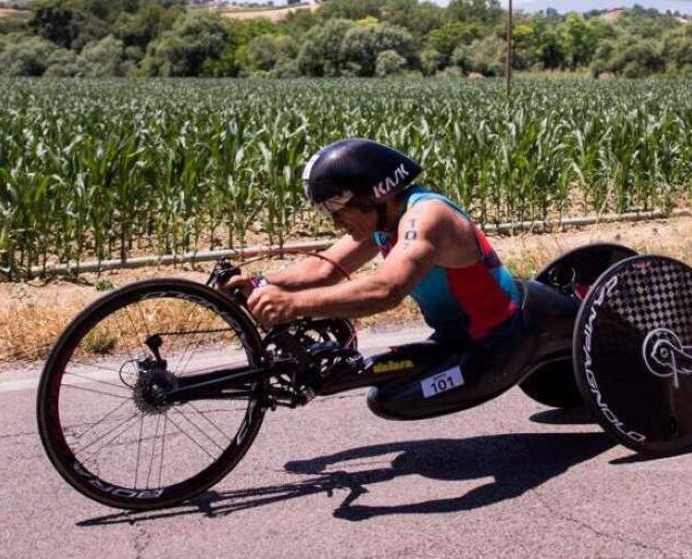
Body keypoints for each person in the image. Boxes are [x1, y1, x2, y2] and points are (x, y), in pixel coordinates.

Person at [222, 138, 529, 419]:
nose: (335, 222)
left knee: (389, 399)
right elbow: (323, 270)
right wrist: (259, 281)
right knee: (362, 381)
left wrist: (293, 304)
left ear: (374, 196)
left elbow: (386, 290)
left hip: (498, 344)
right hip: (453, 340)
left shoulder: (426, 218)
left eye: (338, 210)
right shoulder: (384, 219)